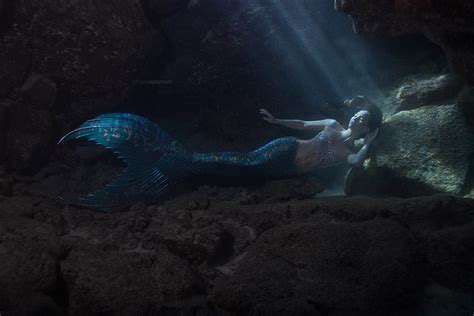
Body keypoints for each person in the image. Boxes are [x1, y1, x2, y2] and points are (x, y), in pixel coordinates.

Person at [58, 96, 381, 210]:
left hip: (285, 171)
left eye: (363, 119)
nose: (356, 117)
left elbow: (356, 161)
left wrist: (373, 139)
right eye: (357, 113)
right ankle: (176, 157)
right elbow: (302, 123)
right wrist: (277, 120)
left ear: (367, 128)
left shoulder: (350, 150)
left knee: (239, 172)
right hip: (284, 149)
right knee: (245, 161)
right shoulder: (333, 124)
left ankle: (175, 165)